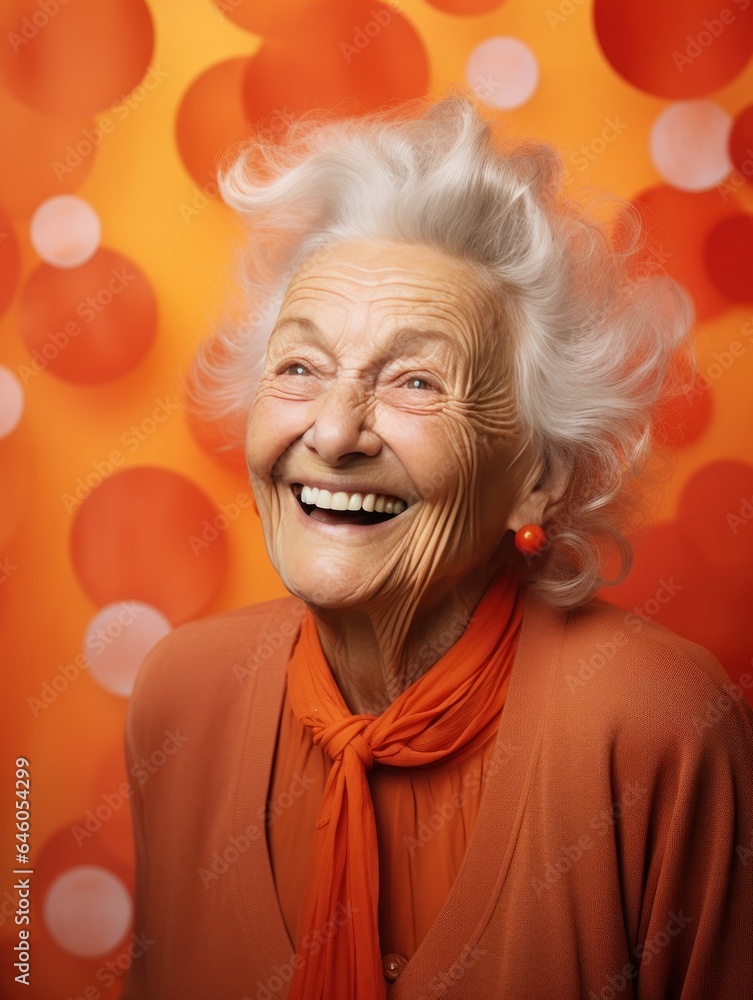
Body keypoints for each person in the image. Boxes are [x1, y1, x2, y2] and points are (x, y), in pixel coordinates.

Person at [122, 89, 753, 1000]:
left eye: (415, 381)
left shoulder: (654, 725)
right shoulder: (180, 699)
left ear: (535, 473)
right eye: (300, 367)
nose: (334, 434)